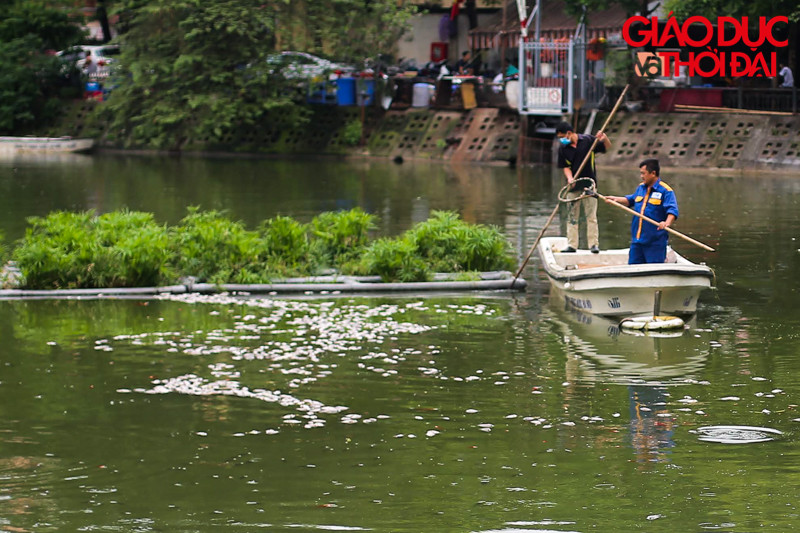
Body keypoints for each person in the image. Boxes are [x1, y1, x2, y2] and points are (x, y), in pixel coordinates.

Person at [603, 158, 679, 265]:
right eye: (640, 173)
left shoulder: (666, 191)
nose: (641, 176)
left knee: (653, 271)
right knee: (633, 269)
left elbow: (672, 210)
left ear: (653, 173)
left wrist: (666, 223)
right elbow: (631, 200)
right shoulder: (641, 188)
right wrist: (615, 199)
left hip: (655, 242)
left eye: (643, 173)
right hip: (637, 241)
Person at [555, 121, 611, 253]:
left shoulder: (588, 141)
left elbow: (606, 147)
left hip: (589, 185)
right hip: (573, 187)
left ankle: (593, 245)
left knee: (591, 216)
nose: (561, 140)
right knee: (572, 217)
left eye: (562, 136)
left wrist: (605, 138)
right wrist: (570, 178)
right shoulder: (563, 149)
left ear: (569, 133)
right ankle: (572, 245)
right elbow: (565, 167)